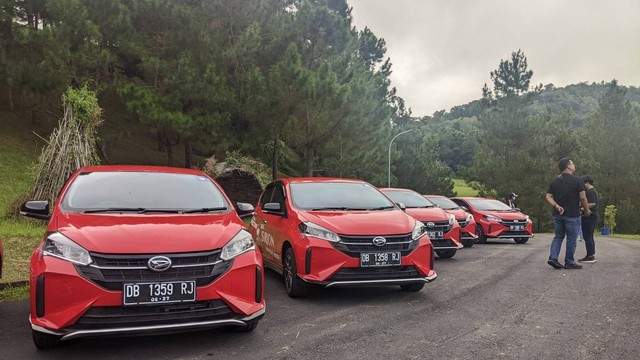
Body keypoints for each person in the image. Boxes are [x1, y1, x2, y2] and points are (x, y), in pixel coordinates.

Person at [545, 158, 591, 270]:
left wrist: (556, 205)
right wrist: (586, 210)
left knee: (558, 236)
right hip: (572, 214)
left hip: (557, 214)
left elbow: (548, 196)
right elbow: (583, 198)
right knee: (571, 238)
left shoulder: (555, 181)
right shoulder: (577, 180)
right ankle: (569, 262)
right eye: (572, 163)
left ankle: (553, 257)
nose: (574, 165)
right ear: (568, 166)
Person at [578, 176, 598, 263]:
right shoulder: (591, 191)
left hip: (590, 216)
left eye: (583, 184)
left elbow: (592, 204)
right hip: (592, 216)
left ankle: (590, 256)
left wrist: (583, 208)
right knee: (589, 236)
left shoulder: (590, 192)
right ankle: (590, 254)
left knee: (587, 236)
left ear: (587, 183)